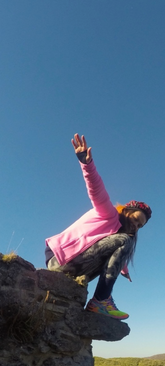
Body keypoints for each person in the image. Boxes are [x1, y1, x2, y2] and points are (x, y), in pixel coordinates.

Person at [45, 133, 152, 320]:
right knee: (124, 241)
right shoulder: (108, 212)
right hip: (60, 259)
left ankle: (103, 299)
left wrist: (123, 269)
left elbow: (111, 254)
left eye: (139, 225)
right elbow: (96, 189)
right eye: (135, 219)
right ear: (126, 210)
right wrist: (86, 164)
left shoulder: (119, 234)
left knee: (123, 241)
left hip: (76, 265)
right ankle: (100, 301)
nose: (135, 225)